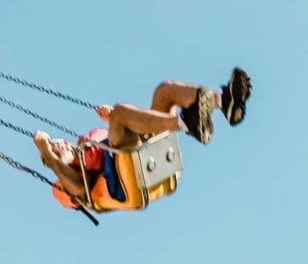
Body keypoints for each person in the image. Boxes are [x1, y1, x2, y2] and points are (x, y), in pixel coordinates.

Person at [34, 68, 252, 210]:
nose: (59, 143)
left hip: (136, 145)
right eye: (55, 147)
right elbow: (80, 191)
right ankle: (187, 124)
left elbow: (124, 129)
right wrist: (50, 154)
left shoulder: (86, 142)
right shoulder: (68, 175)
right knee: (121, 113)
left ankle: (226, 102)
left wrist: (110, 120)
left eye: (57, 141)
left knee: (164, 91)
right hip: (121, 175)